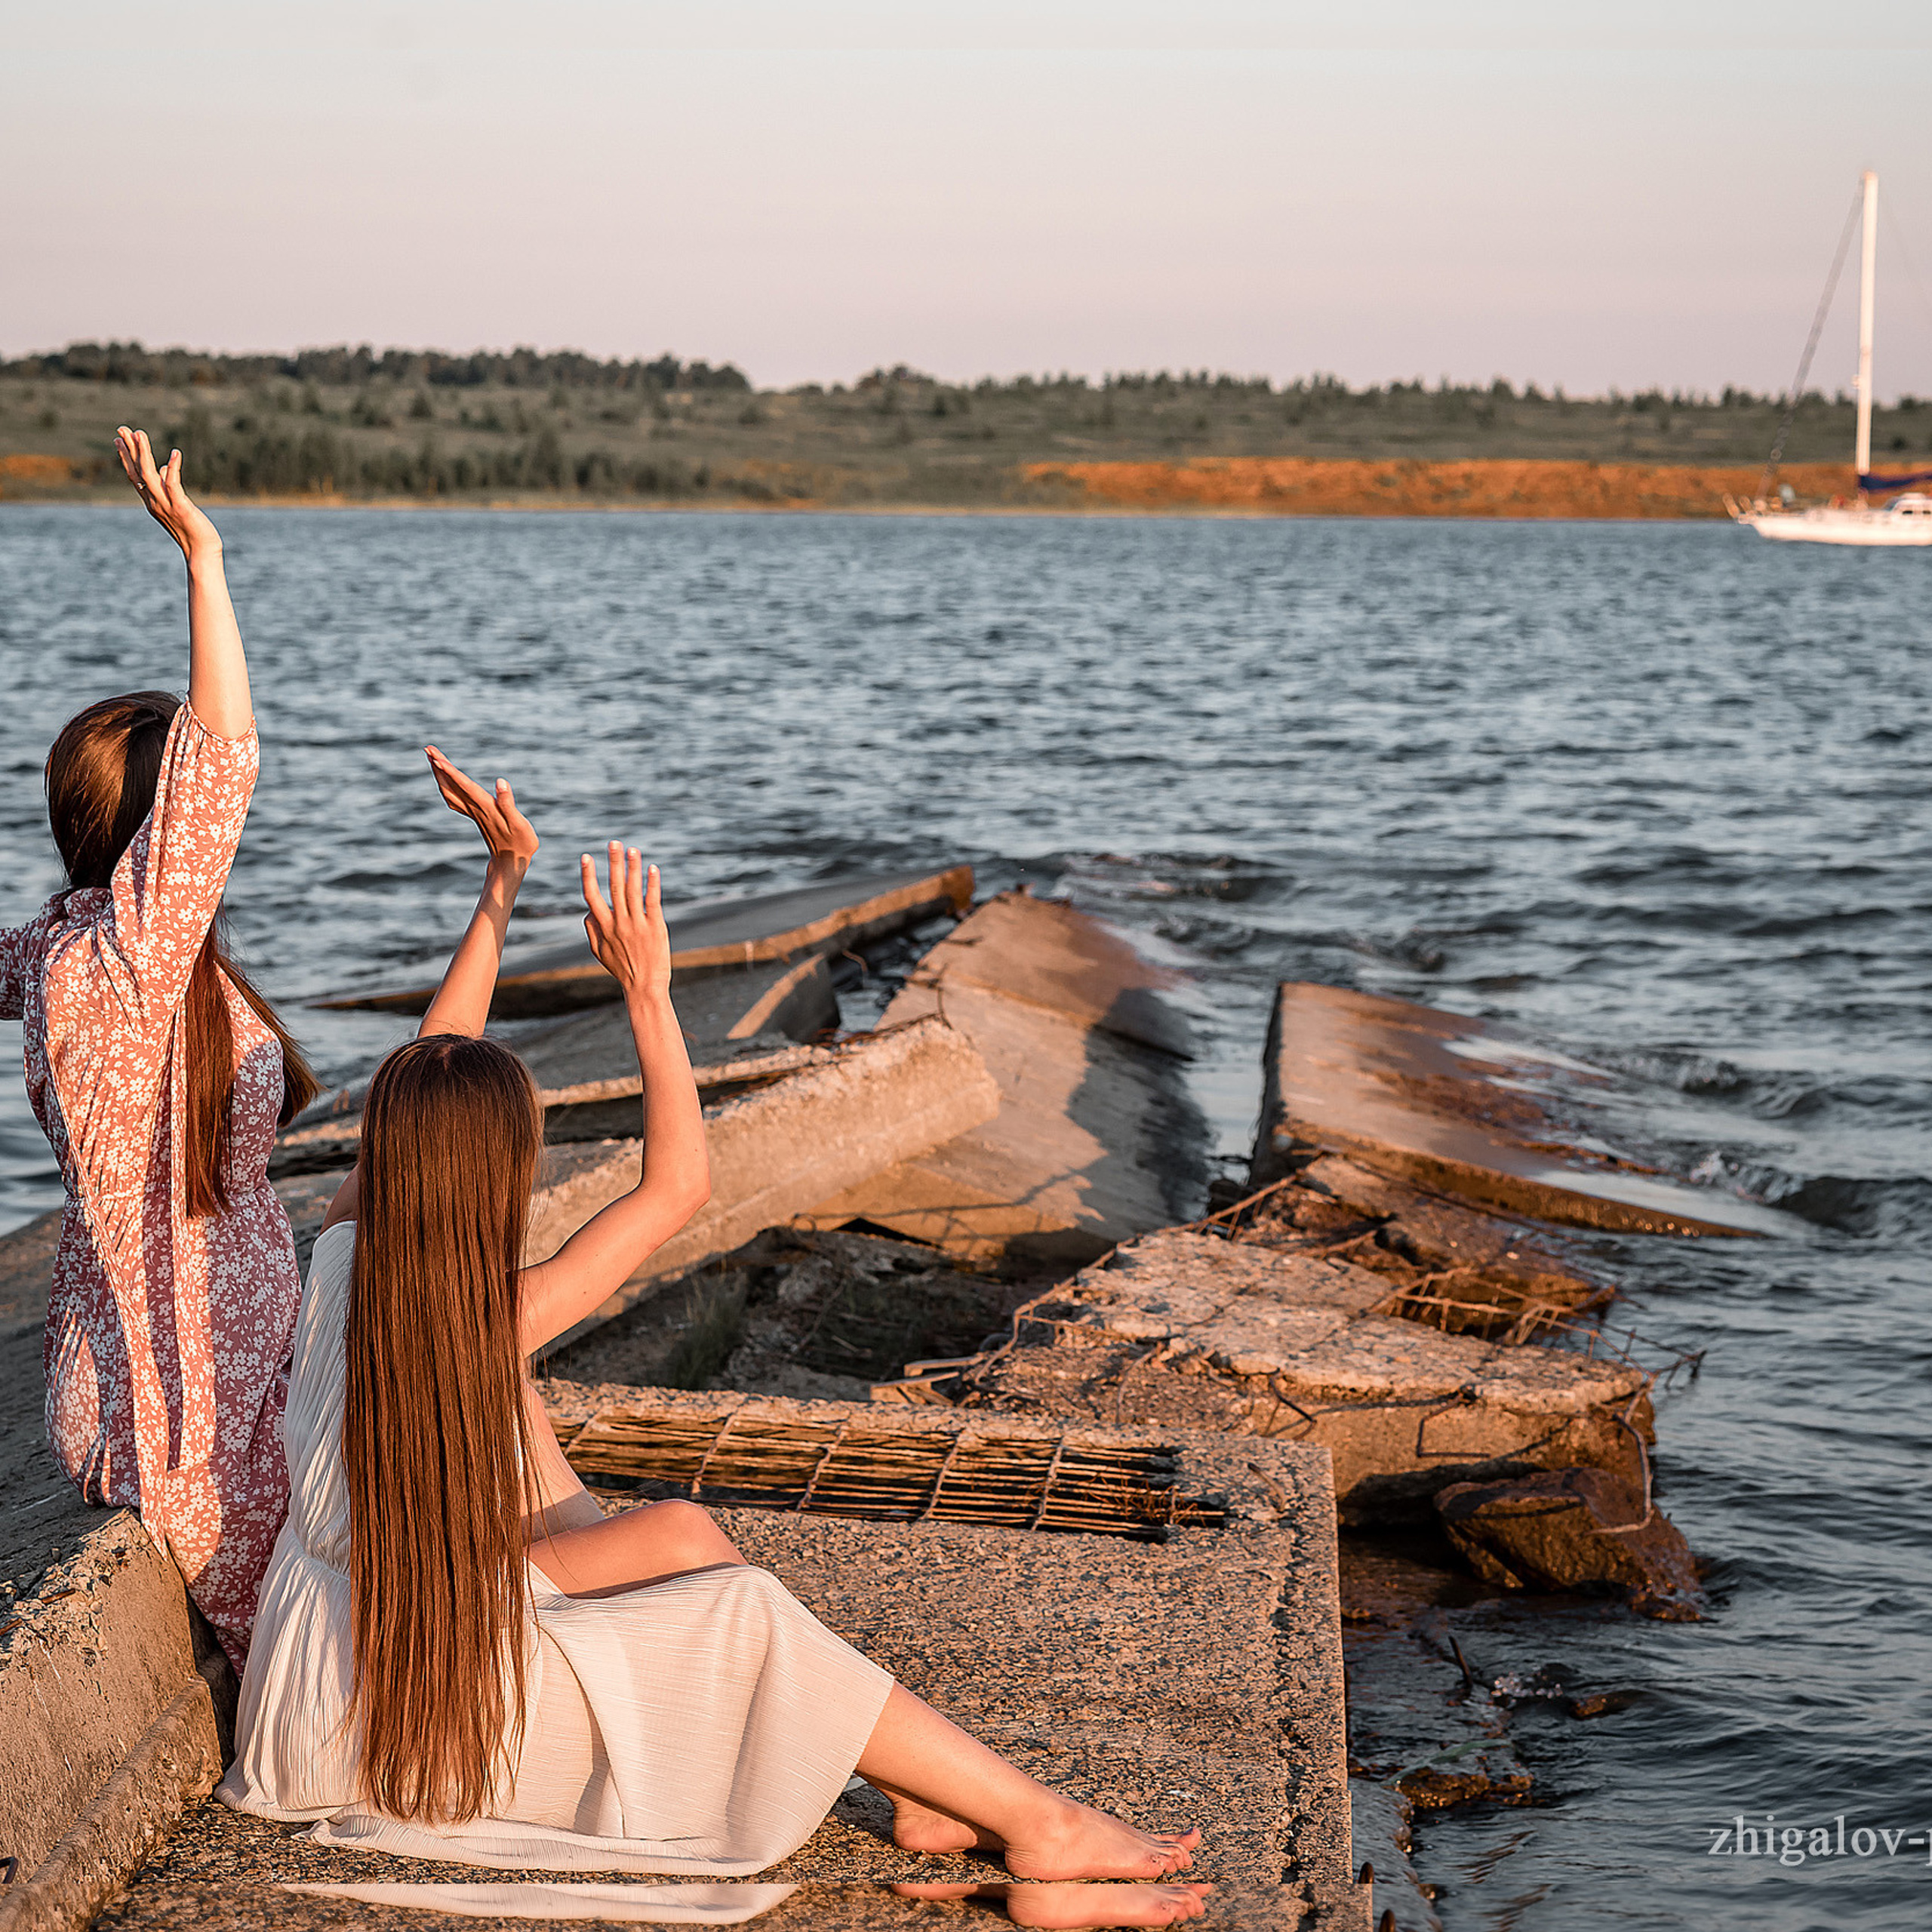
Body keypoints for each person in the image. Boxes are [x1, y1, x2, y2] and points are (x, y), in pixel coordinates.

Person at [219, 769, 1211, 1929]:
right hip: (387, 1721)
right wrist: (646, 989)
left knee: (683, 1530)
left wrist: (501, 887)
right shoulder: (493, 1317)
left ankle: (926, 1797)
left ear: (388, 1158)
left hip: (322, 1667)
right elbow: (678, 1184)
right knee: (739, 1611)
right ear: (500, 1174)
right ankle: (1043, 1829)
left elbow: (429, 1071)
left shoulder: (336, 1262)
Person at [0, 430, 319, 1669]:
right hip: (181, 1389)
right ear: (148, 839)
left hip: (183, 1363)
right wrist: (206, 562)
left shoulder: (62, 949)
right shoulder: (125, 958)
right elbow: (222, 767)